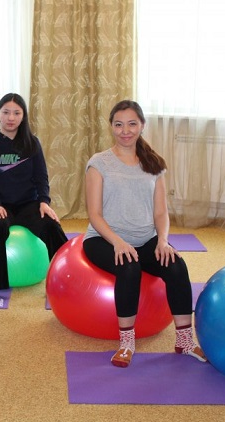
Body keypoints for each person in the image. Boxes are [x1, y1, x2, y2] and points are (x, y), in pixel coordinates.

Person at [82, 99, 206, 368]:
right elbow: (95, 214)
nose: (125, 131)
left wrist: (163, 241)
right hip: (104, 239)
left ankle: (185, 340)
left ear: (142, 125)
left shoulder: (154, 164)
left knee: (176, 265)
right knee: (130, 267)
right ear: (111, 127)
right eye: (119, 125)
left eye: (132, 124)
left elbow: (161, 213)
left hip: (146, 239)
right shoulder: (99, 163)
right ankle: (127, 342)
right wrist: (118, 242)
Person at [0, 93, 68, 305]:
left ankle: (66, 278)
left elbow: (41, 176)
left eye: (16, 113)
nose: (11, 117)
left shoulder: (32, 143)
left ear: (23, 116)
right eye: (6, 112)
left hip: (28, 204)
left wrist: (44, 202)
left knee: (52, 226)